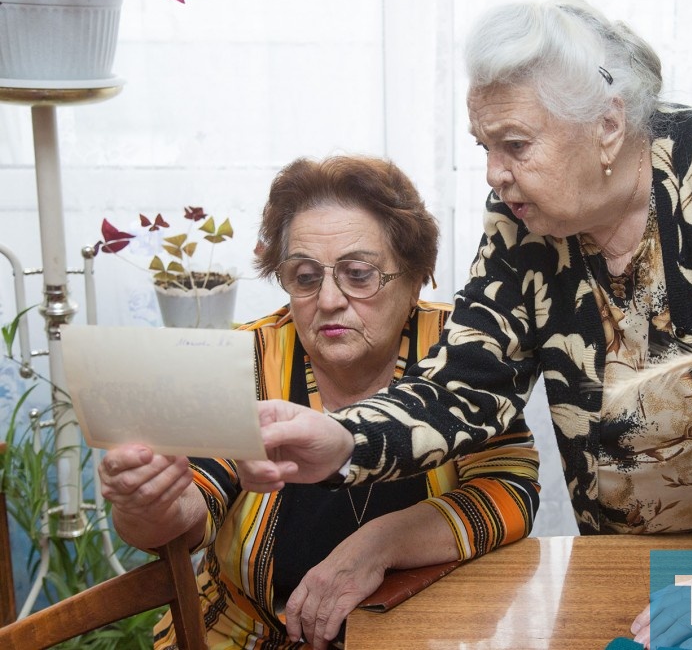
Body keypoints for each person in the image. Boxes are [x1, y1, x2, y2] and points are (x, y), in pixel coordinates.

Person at [239, 0, 692, 649]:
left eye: (514, 144)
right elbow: (466, 387)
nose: (494, 173)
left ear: (608, 124)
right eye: (484, 146)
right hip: (621, 564)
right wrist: (343, 437)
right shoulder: (520, 221)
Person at [98, 156, 541, 650]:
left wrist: (383, 543)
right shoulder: (246, 359)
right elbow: (186, 516)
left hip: (423, 636)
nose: (328, 299)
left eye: (358, 273)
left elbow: (510, 489)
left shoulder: (461, 352)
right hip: (248, 636)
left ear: (416, 278)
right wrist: (150, 502)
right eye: (305, 277)